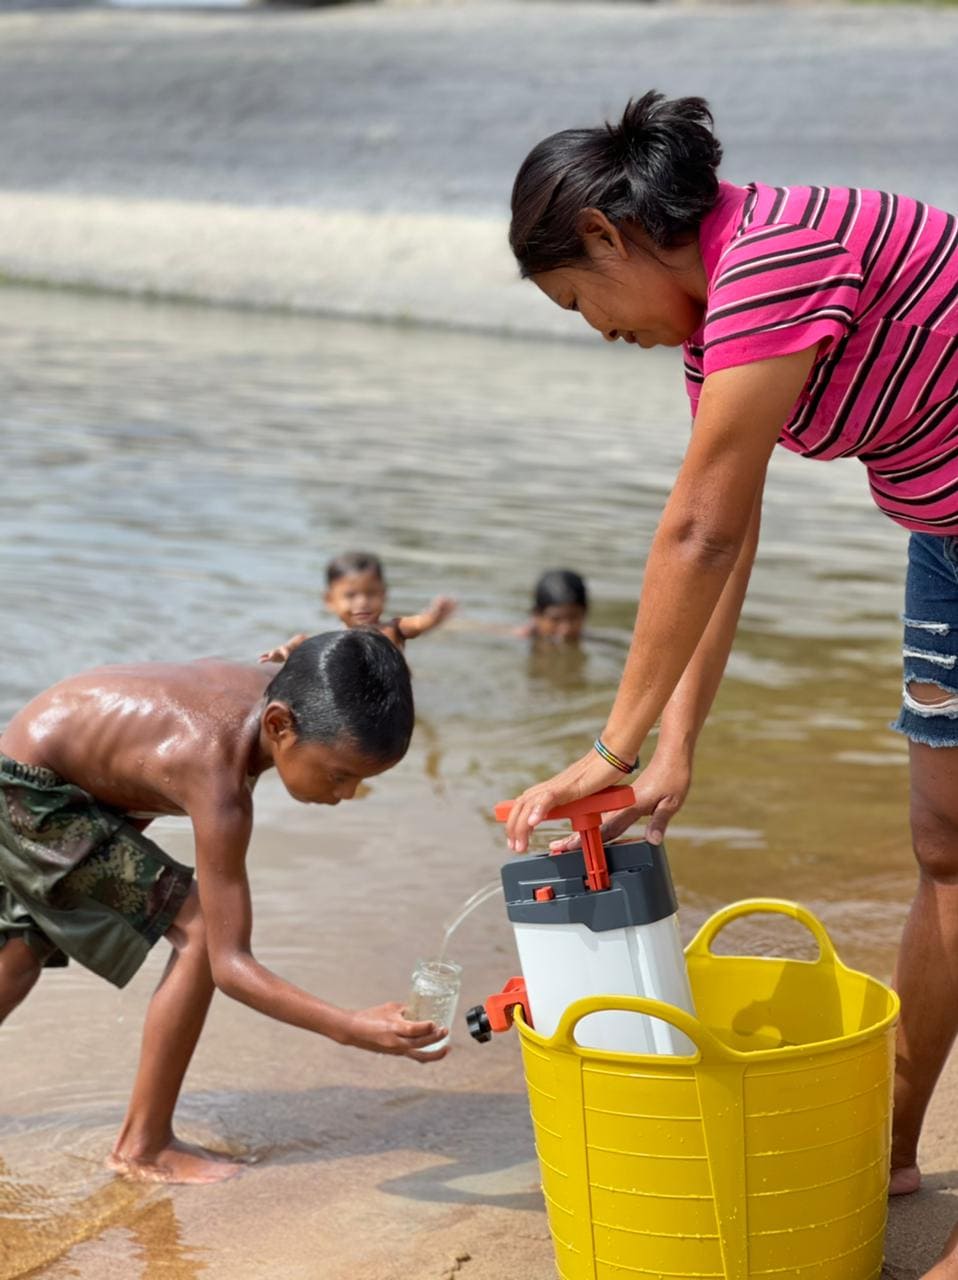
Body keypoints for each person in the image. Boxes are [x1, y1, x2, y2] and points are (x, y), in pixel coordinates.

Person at [500, 90, 958, 1268]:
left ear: (607, 235)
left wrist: (605, 747)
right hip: (945, 537)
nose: (597, 329)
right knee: (945, 844)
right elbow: (730, 532)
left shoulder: (771, 259)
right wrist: (672, 747)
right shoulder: (721, 330)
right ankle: (892, 1148)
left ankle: (894, 1142)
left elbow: (695, 531)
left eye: (578, 302)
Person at [0, 630, 446, 1185]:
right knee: (202, 930)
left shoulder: (294, 685)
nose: (346, 795)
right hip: (33, 789)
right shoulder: (216, 774)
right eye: (339, 774)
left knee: (23, 949)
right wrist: (349, 1027)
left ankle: (145, 1141)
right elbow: (230, 968)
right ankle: (144, 1147)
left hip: (52, 762)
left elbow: (343, 652)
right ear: (280, 726)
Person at [261, 551, 456, 661]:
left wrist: (434, 616)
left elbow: (419, 623)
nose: (362, 602)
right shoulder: (331, 640)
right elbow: (303, 641)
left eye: (371, 593)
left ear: (384, 595)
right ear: (329, 600)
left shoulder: (393, 630)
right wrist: (287, 649)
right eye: (350, 595)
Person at [521, 569, 589, 644]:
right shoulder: (519, 640)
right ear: (536, 614)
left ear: (584, 613)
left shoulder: (592, 642)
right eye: (556, 619)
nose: (565, 630)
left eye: (573, 618)